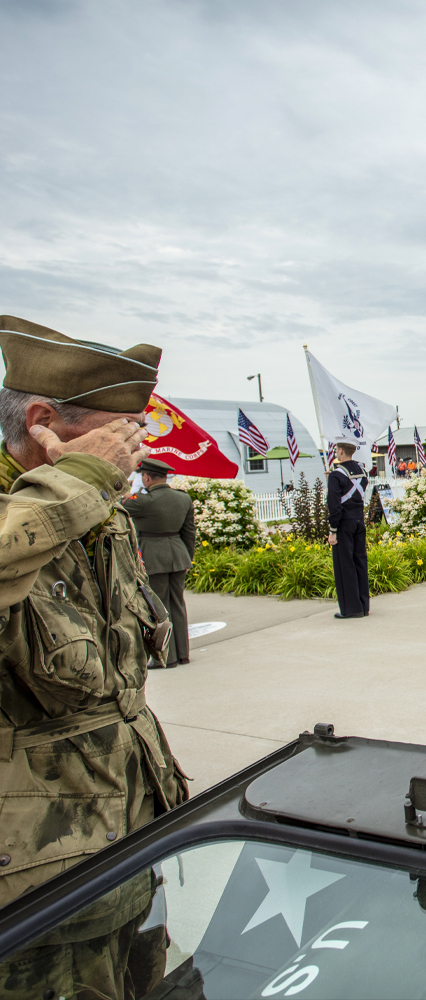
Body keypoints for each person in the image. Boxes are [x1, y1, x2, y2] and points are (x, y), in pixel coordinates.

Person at [0, 315, 188, 995]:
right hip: (41, 898)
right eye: (118, 435)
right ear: (45, 421)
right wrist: (77, 479)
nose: (131, 454)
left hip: (131, 848)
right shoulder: (63, 497)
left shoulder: (98, 515)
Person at [122, 457, 196, 668]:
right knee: (178, 605)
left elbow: (119, 504)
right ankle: (182, 654)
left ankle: (166, 656)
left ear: (146, 477)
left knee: (158, 607)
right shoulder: (183, 498)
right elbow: (189, 532)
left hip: (154, 557)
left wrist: (125, 489)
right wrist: (186, 557)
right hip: (178, 555)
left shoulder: (142, 501)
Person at [328, 441, 369, 618]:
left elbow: (335, 506)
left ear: (341, 451)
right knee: (360, 562)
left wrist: (333, 529)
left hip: (344, 523)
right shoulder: (362, 473)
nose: (336, 452)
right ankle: (363, 605)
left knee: (345, 565)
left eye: (337, 450)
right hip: (359, 521)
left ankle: (351, 609)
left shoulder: (336, 475)